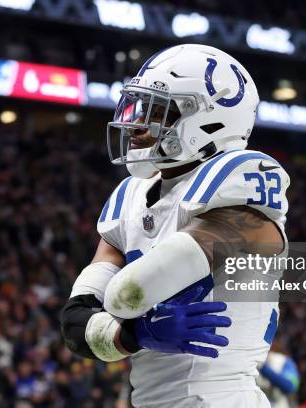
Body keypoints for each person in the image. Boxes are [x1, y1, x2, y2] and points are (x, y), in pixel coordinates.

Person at [61, 44, 290, 407]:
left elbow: (128, 290)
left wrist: (122, 321)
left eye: (156, 111)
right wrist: (138, 334)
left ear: (209, 120)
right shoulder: (132, 195)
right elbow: (75, 324)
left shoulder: (240, 182)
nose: (135, 124)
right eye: (136, 106)